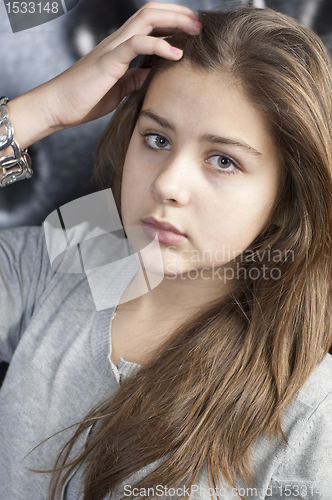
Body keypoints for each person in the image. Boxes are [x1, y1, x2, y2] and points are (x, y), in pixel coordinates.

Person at [0, 2, 332, 499]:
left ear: (286, 200)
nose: (169, 185)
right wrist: (39, 111)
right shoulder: (83, 243)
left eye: (223, 160)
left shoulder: (310, 414)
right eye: (156, 138)